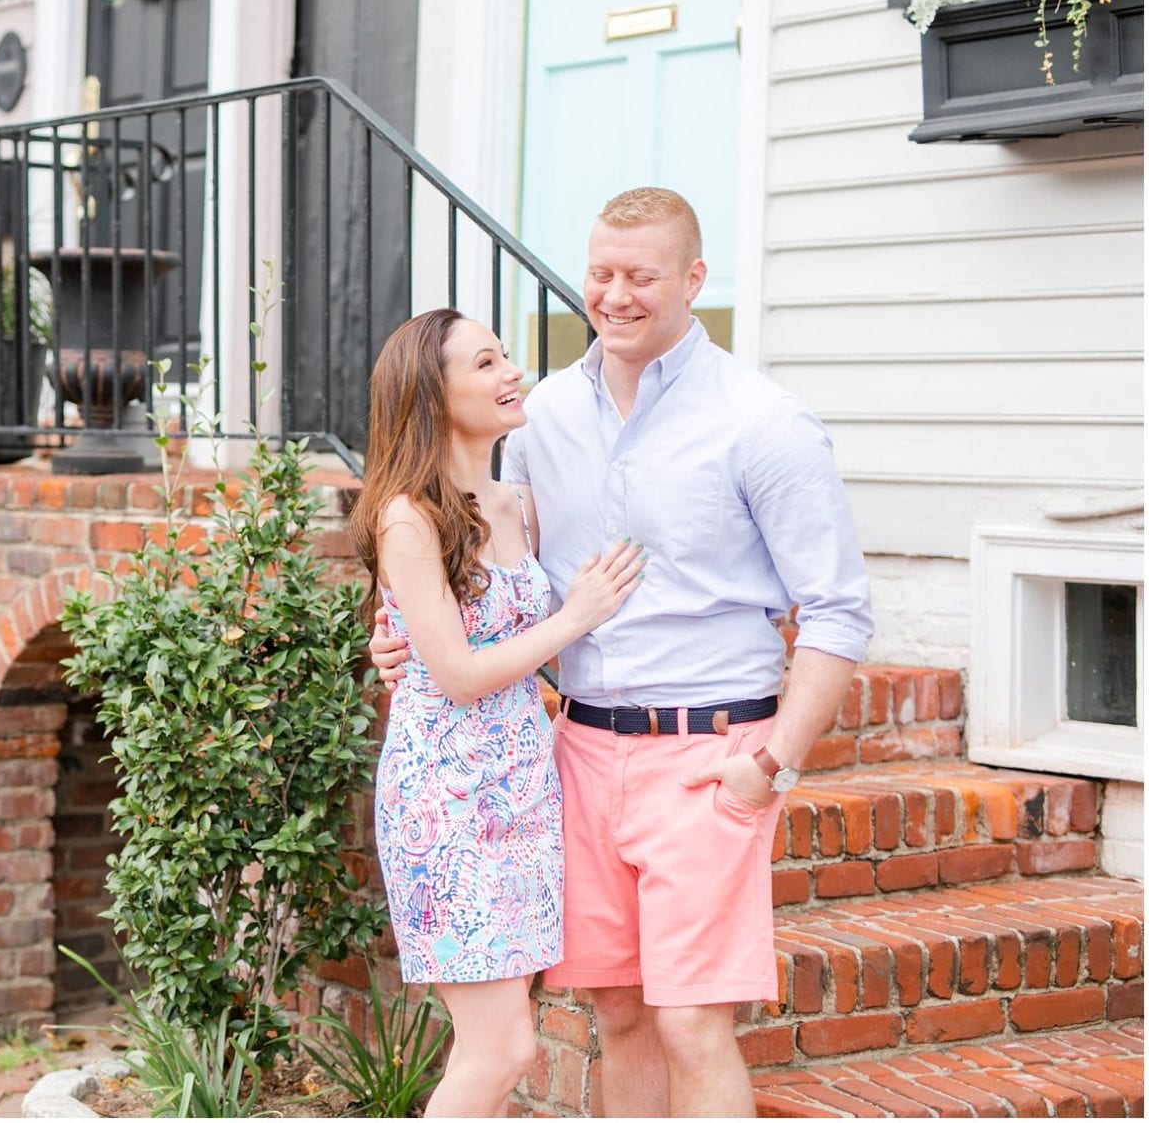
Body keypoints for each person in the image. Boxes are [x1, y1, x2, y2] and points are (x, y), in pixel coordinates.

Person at [369, 188, 873, 1117]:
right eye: (601, 272)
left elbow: (839, 612)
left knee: (691, 1023)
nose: (615, 294)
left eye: (641, 275)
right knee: (620, 1013)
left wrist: (770, 765)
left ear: (693, 279)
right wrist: (397, 631)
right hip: (576, 759)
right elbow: (471, 559)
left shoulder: (763, 423)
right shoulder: (540, 418)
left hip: (709, 755)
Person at [347, 308, 645, 1119]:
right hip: (447, 803)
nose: (511, 373)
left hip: (522, 787)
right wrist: (574, 615)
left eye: (505, 356)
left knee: (498, 1039)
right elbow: (458, 673)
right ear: (433, 395)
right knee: (504, 1047)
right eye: (485, 363)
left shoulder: (519, 502)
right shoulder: (409, 514)